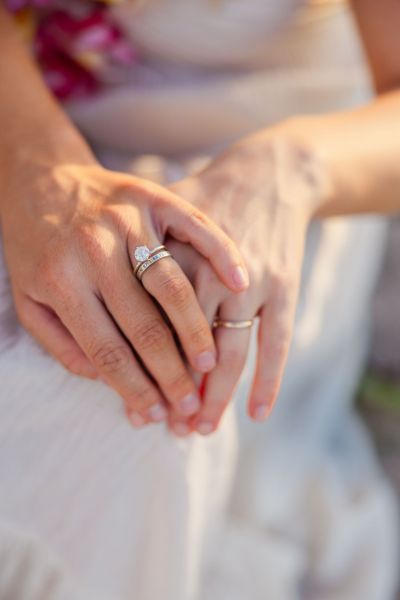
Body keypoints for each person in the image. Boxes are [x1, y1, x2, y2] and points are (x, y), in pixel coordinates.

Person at [0, 1, 399, 599]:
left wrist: (288, 170)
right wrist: (37, 169)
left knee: (150, 388)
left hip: (262, 197)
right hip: (26, 147)